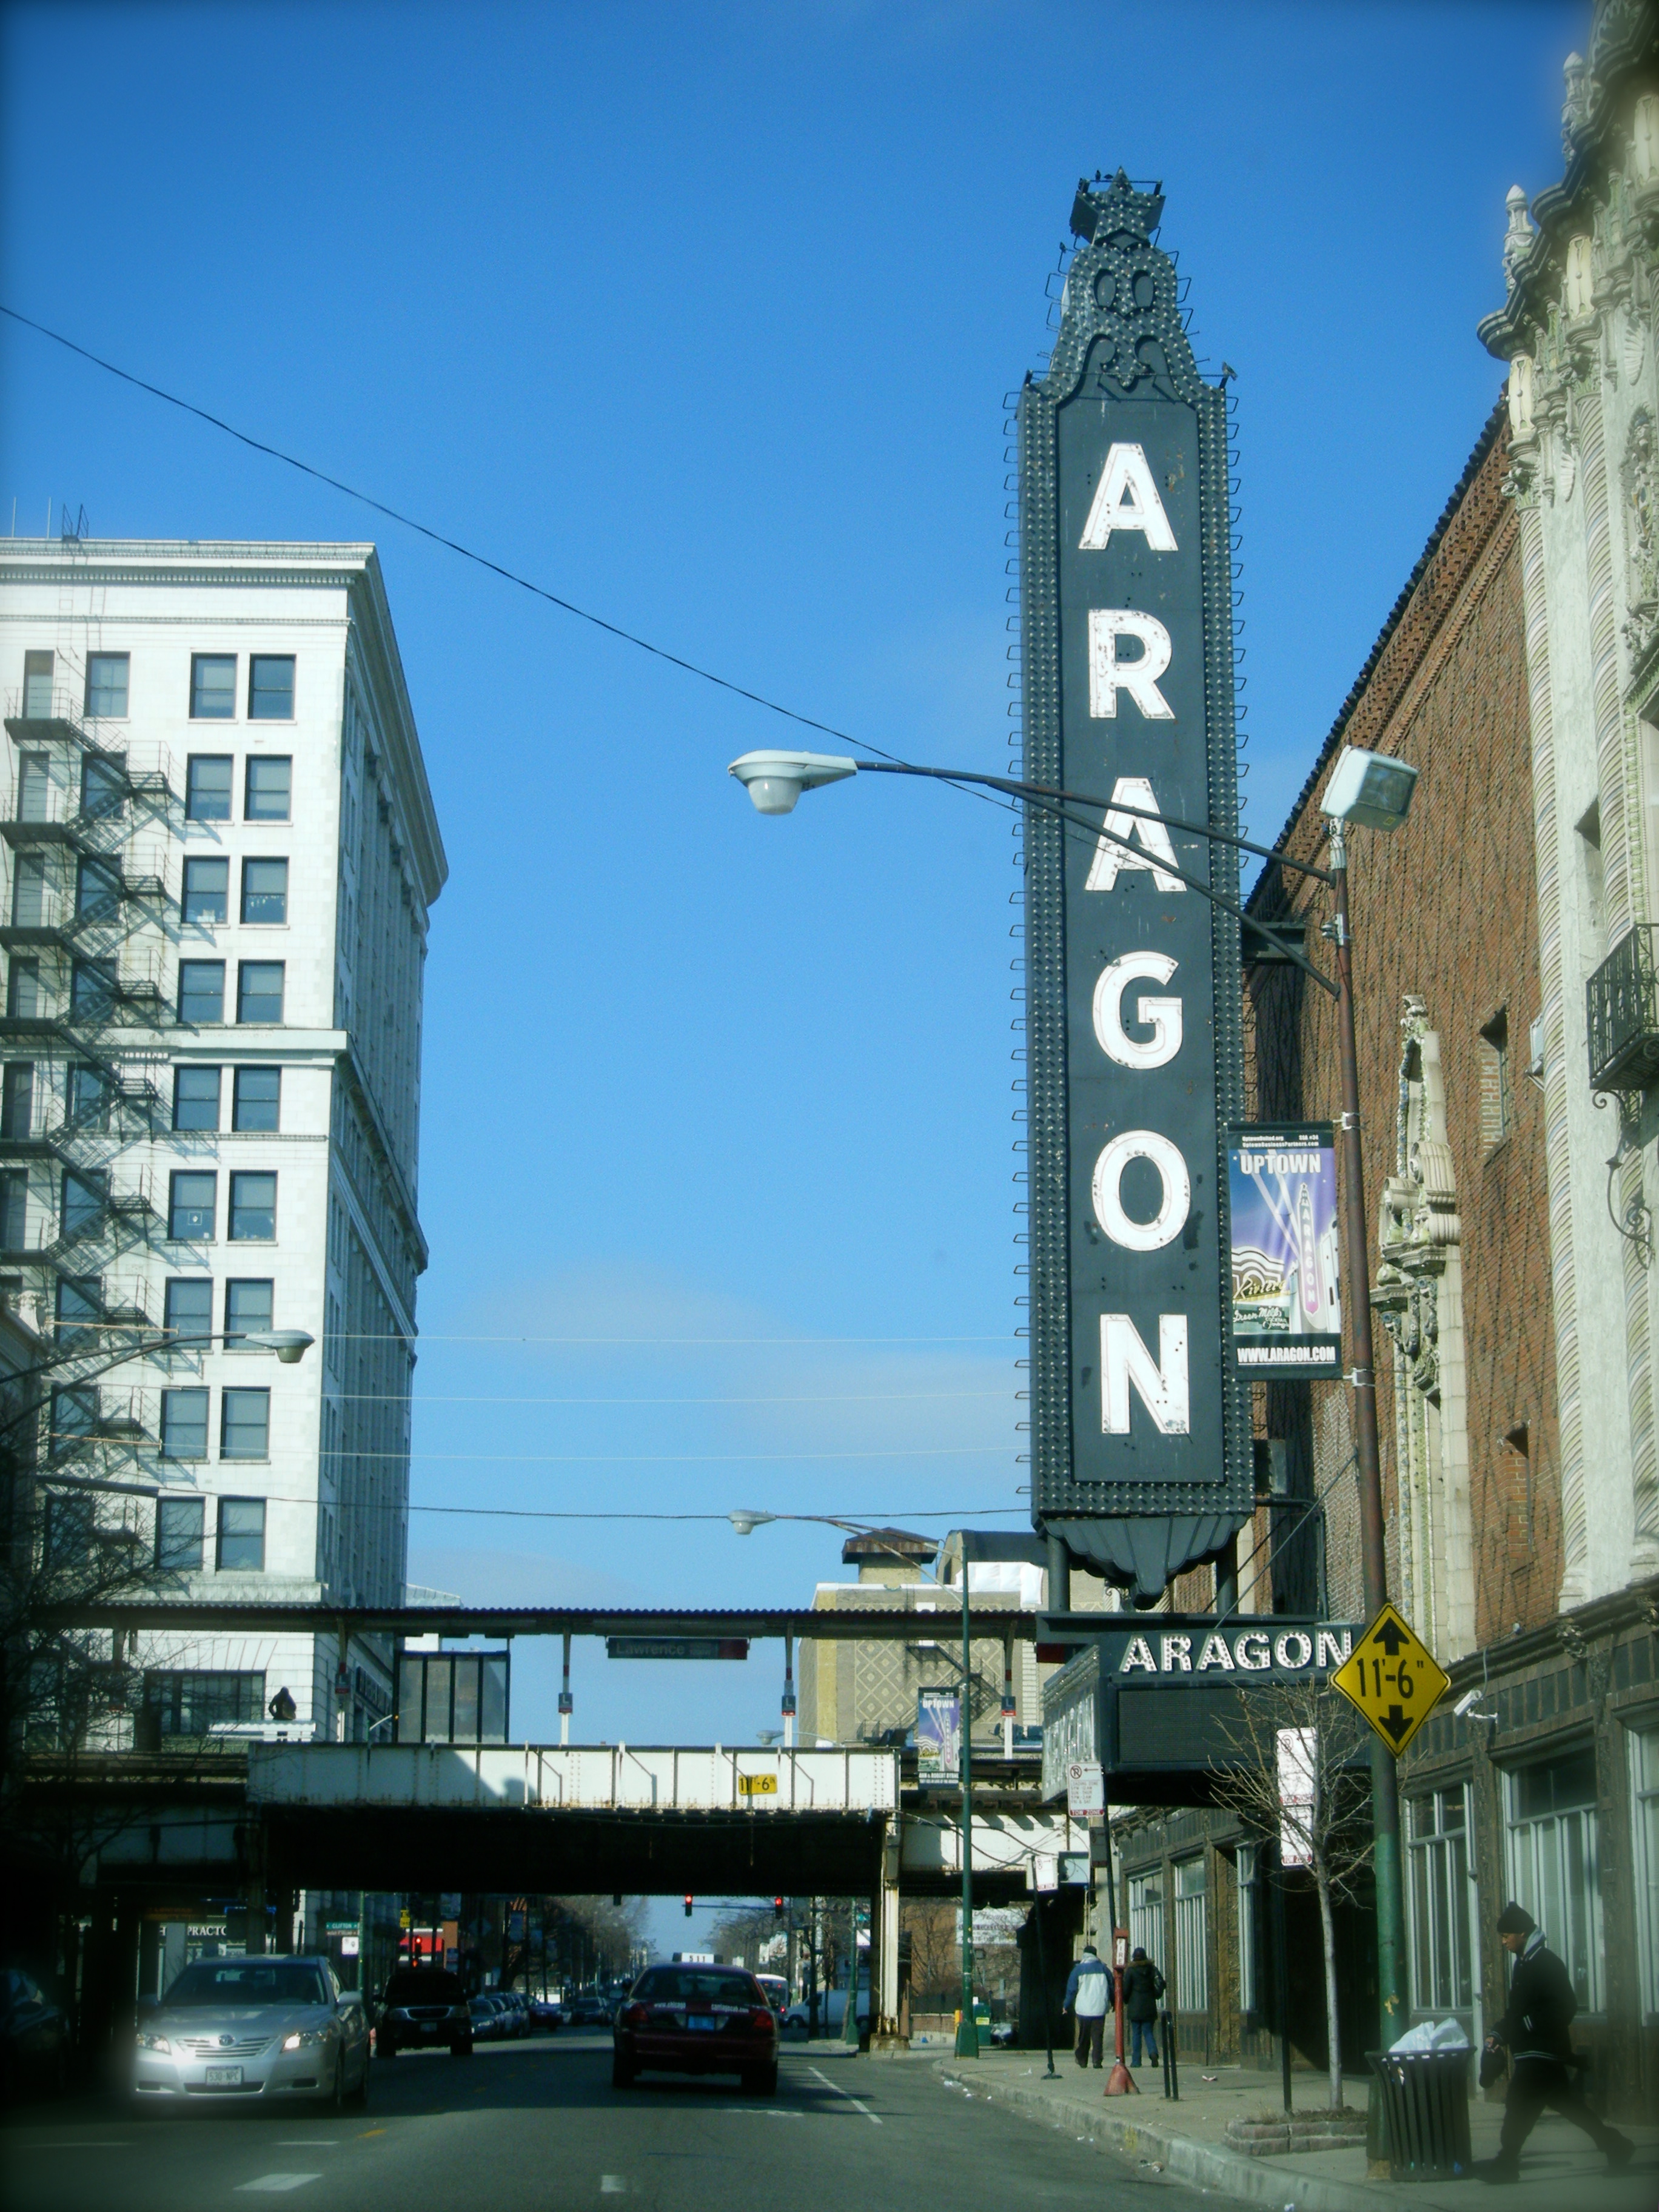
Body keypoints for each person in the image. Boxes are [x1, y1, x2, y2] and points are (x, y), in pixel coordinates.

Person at [1470, 1901, 1634, 2184]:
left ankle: (1507, 2163)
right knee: (1571, 2107)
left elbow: (1567, 2006)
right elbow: (1516, 2013)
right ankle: (1616, 2146)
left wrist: (1529, 2025)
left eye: (1507, 1935)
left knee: (1518, 2104)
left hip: (1541, 2053)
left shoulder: (1546, 1963)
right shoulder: (1524, 1964)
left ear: (1522, 1933)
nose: (1503, 1941)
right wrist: (1498, 2034)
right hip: (1537, 2054)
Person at [1062, 1942, 1112, 2070]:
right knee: (1097, 2036)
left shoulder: (1078, 1970)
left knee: (1084, 2036)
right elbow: (1112, 1987)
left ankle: (1082, 2059)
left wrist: (1066, 2005)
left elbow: (1072, 1990)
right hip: (1100, 2007)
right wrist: (1113, 2002)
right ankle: (1097, 2060)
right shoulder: (1104, 1969)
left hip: (1083, 2008)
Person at [1120, 1945, 1165, 2068]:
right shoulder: (1152, 1969)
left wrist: (1125, 2000)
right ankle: (1153, 2052)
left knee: (1136, 2034)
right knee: (1148, 2032)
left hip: (1135, 2006)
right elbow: (1160, 1984)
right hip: (1149, 2005)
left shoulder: (1131, 1971)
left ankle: (1136, 2061)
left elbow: (1126, 1989)